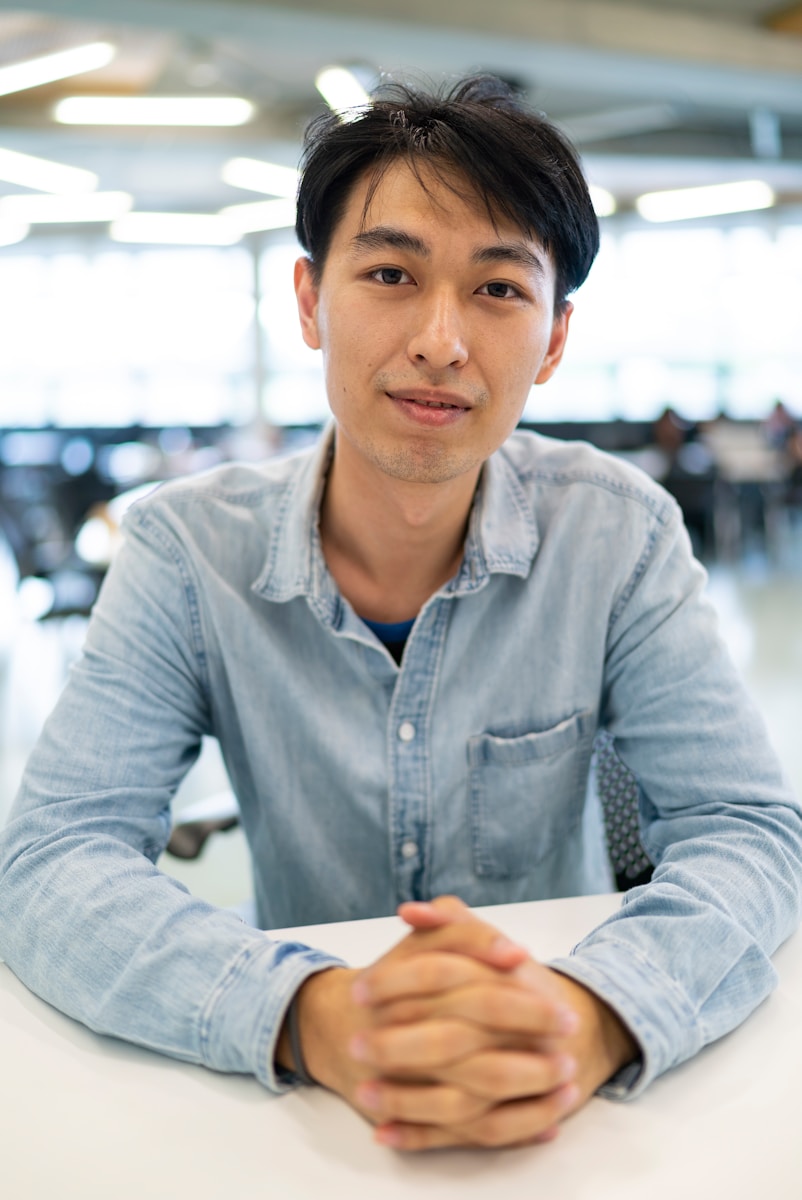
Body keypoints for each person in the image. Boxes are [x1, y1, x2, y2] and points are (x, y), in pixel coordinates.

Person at [1, 74, 800, 1154]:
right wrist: (311, 1013)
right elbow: (54, 856)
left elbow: (744, 829)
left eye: (498, 291)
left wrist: (599, 1010)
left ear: (555, 339)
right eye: (389, 272)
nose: (439, 341)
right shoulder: (188, 550)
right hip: (306, 1116)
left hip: (568, 1108)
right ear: (307, 299)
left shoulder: (617, 534)